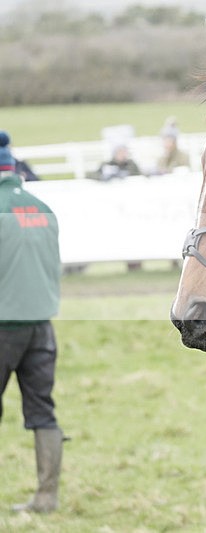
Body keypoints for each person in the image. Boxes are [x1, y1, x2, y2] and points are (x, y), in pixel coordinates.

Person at [0, 140, 64, 513]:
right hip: (41, 324)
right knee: (42, 411)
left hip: (4, 323)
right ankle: (46, 497)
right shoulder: (43, 210)